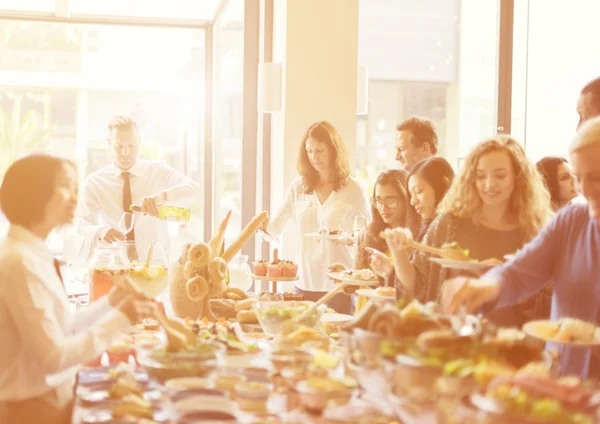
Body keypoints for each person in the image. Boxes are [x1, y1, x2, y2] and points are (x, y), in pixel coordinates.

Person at [440, 116, 600, 379]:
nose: (585, 189)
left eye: (596, 176)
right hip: (562, 383)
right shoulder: (572, 222)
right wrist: (481, 288)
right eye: (579, 178)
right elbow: (518, 272)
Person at [0, 155, 141, 423]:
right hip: (31, 411)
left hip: (51, 399)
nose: (75, 197)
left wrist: (113, 301)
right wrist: (121, 321)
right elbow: (54, 357)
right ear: (34, 191)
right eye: (65, 186)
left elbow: (64, 327)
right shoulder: (19, 263)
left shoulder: (33, 252)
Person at [384, 136, 553, 328]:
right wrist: (398, 253)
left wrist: (506, 282)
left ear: (518, 176)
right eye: (481, 176)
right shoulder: (450, 222)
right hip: (453, 339)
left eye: (500, 175)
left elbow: (549, 301)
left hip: (512, 343)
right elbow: (416, 286)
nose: (489, 185)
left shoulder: (535, 229)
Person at [263, 121, 370, 313]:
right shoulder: (298, 187)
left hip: (339, 285)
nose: (314, 157)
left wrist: (350, 239)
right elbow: (274, 228)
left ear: (334, 150)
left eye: (320, 151)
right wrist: (262, 226)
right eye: (309, 151)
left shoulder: (354, 189)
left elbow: (369, 234)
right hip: (305, 283)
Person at [78, 116, 202, 256]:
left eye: (131, 146)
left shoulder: (158, 171)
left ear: (139, 142)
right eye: (119, 146)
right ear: (109, 143)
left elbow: (195, 190)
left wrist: (162, 196)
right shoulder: (95, 182)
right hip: (116, 267)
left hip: (156, 267)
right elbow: (82, 224)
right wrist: (100, 232)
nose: (125, 153)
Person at [407, 157, 455, 243]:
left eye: (418, 191)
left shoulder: (448, 224)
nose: (412, 201)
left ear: (442, 187)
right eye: (411, 194)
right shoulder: (429, 227)